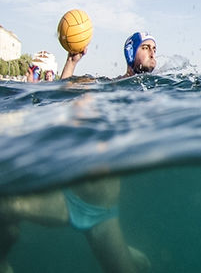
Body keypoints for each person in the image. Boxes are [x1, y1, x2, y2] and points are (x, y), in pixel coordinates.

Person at [1, 32, 155, 273]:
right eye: (145, 47)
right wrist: (71, 62)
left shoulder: (155, 92)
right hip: (67, 199)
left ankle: (121, 249)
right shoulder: (108, 84)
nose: (152, 52)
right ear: (130, 52)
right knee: (5, 206)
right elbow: (60, 96)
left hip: (103, 214)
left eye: (154, 48)